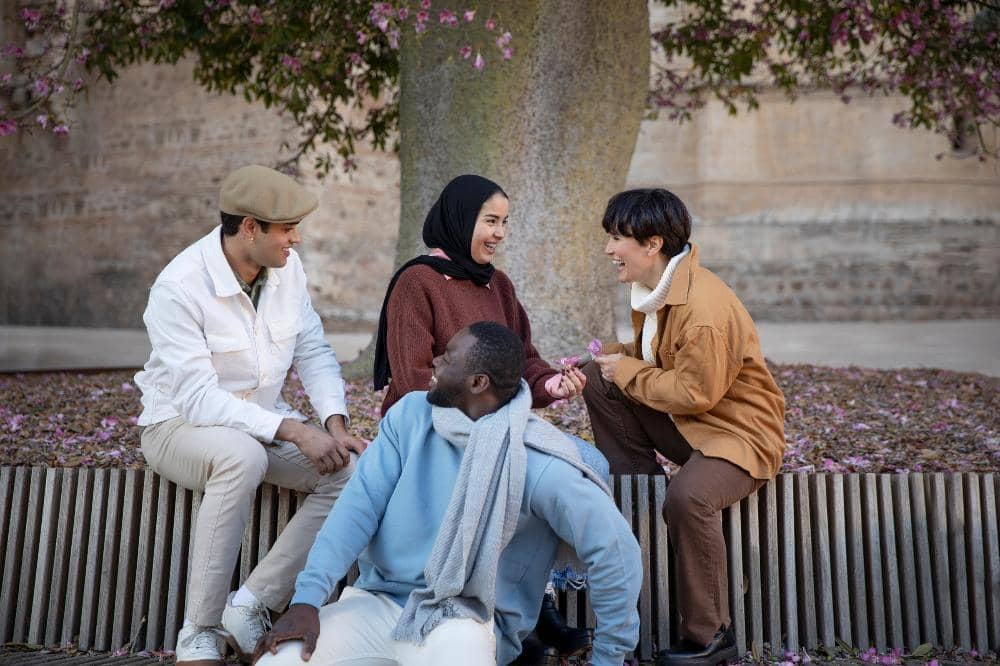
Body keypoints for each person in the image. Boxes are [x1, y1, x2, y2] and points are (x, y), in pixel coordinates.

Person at [254, 322, 642, 666]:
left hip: (468, 622)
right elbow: (355, 512)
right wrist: (306, 601)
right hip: (376, 605)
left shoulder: (535, 461)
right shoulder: (409, 416)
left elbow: (615, 551)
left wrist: (608, 657)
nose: (436, 362)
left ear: (478, 383)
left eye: (449, 357)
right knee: (282, 660)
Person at [135, 165, 366, 665]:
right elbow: (197, 399)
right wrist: (291, 429)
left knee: (349, 472)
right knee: (241, 456)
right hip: (177, 427)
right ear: (249, 227)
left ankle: (251, 604)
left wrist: (334, 424)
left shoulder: (287, 270)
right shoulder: (178, 287)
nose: (296, 240)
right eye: (287, 229)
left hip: (259, 423)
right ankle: (197, 630)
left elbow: (314, 351)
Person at [372, 173, 592, 657]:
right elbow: (411, 384)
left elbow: (525, 360)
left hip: (498, 425)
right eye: (490, 220)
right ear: (460, 218)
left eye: (505, 223)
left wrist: (551, 384)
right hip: (435, 432)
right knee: (510, 475)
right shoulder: (417, 282)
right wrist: (484, 423)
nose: (499, 233)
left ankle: (533, 604)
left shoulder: (499, 286)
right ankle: (517, 625)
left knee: (585, 463)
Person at [580, 189, 786, 666]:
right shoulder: (658, 289)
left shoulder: (702, 311)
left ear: (652, 244)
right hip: (694, 427)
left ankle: (710, 636)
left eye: (617, 239)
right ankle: (637, 489)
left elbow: (697, 393)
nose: (610, 249)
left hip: (739, 437)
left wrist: (627, 370)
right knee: (599, 380)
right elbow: (658, 361)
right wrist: (615, 357)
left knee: (690, 497)